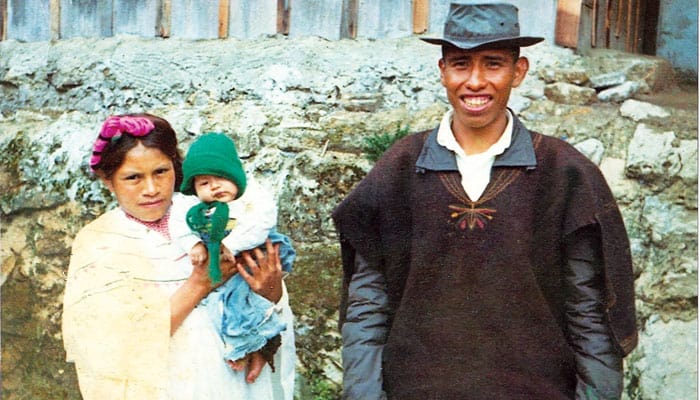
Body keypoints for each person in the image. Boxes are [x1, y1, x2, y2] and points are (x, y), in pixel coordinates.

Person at [332, 3, 637, 400]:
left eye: (493, 64)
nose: (475, 81)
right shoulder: (400, 169)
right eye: (460, 64)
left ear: (518, 71)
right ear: (443, 71)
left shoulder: (563, 173)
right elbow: (367, 307)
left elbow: (591, 316)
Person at [62, 114, 295, 400]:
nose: (151, 189)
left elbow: (262, 281)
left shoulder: (211, 213)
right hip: (166, 386)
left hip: (236, 377)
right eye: (133, 177)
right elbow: (109, 343)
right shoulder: (100, 243)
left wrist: (265, 333)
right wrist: (199, 283)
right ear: (108, 181)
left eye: (161, 172)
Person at [169, 132, 294, 375]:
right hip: (223, 263)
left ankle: (251, 344)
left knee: (247, 302)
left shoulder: (251, 197)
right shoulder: (192, 207)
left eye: (221, 178)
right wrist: (193, 245)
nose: (214, 187)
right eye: (204, 183)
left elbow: (262, 222)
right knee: (226, 305)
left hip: (252, 252)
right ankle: (250, 342)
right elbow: (179, 224)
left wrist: (232, 244)